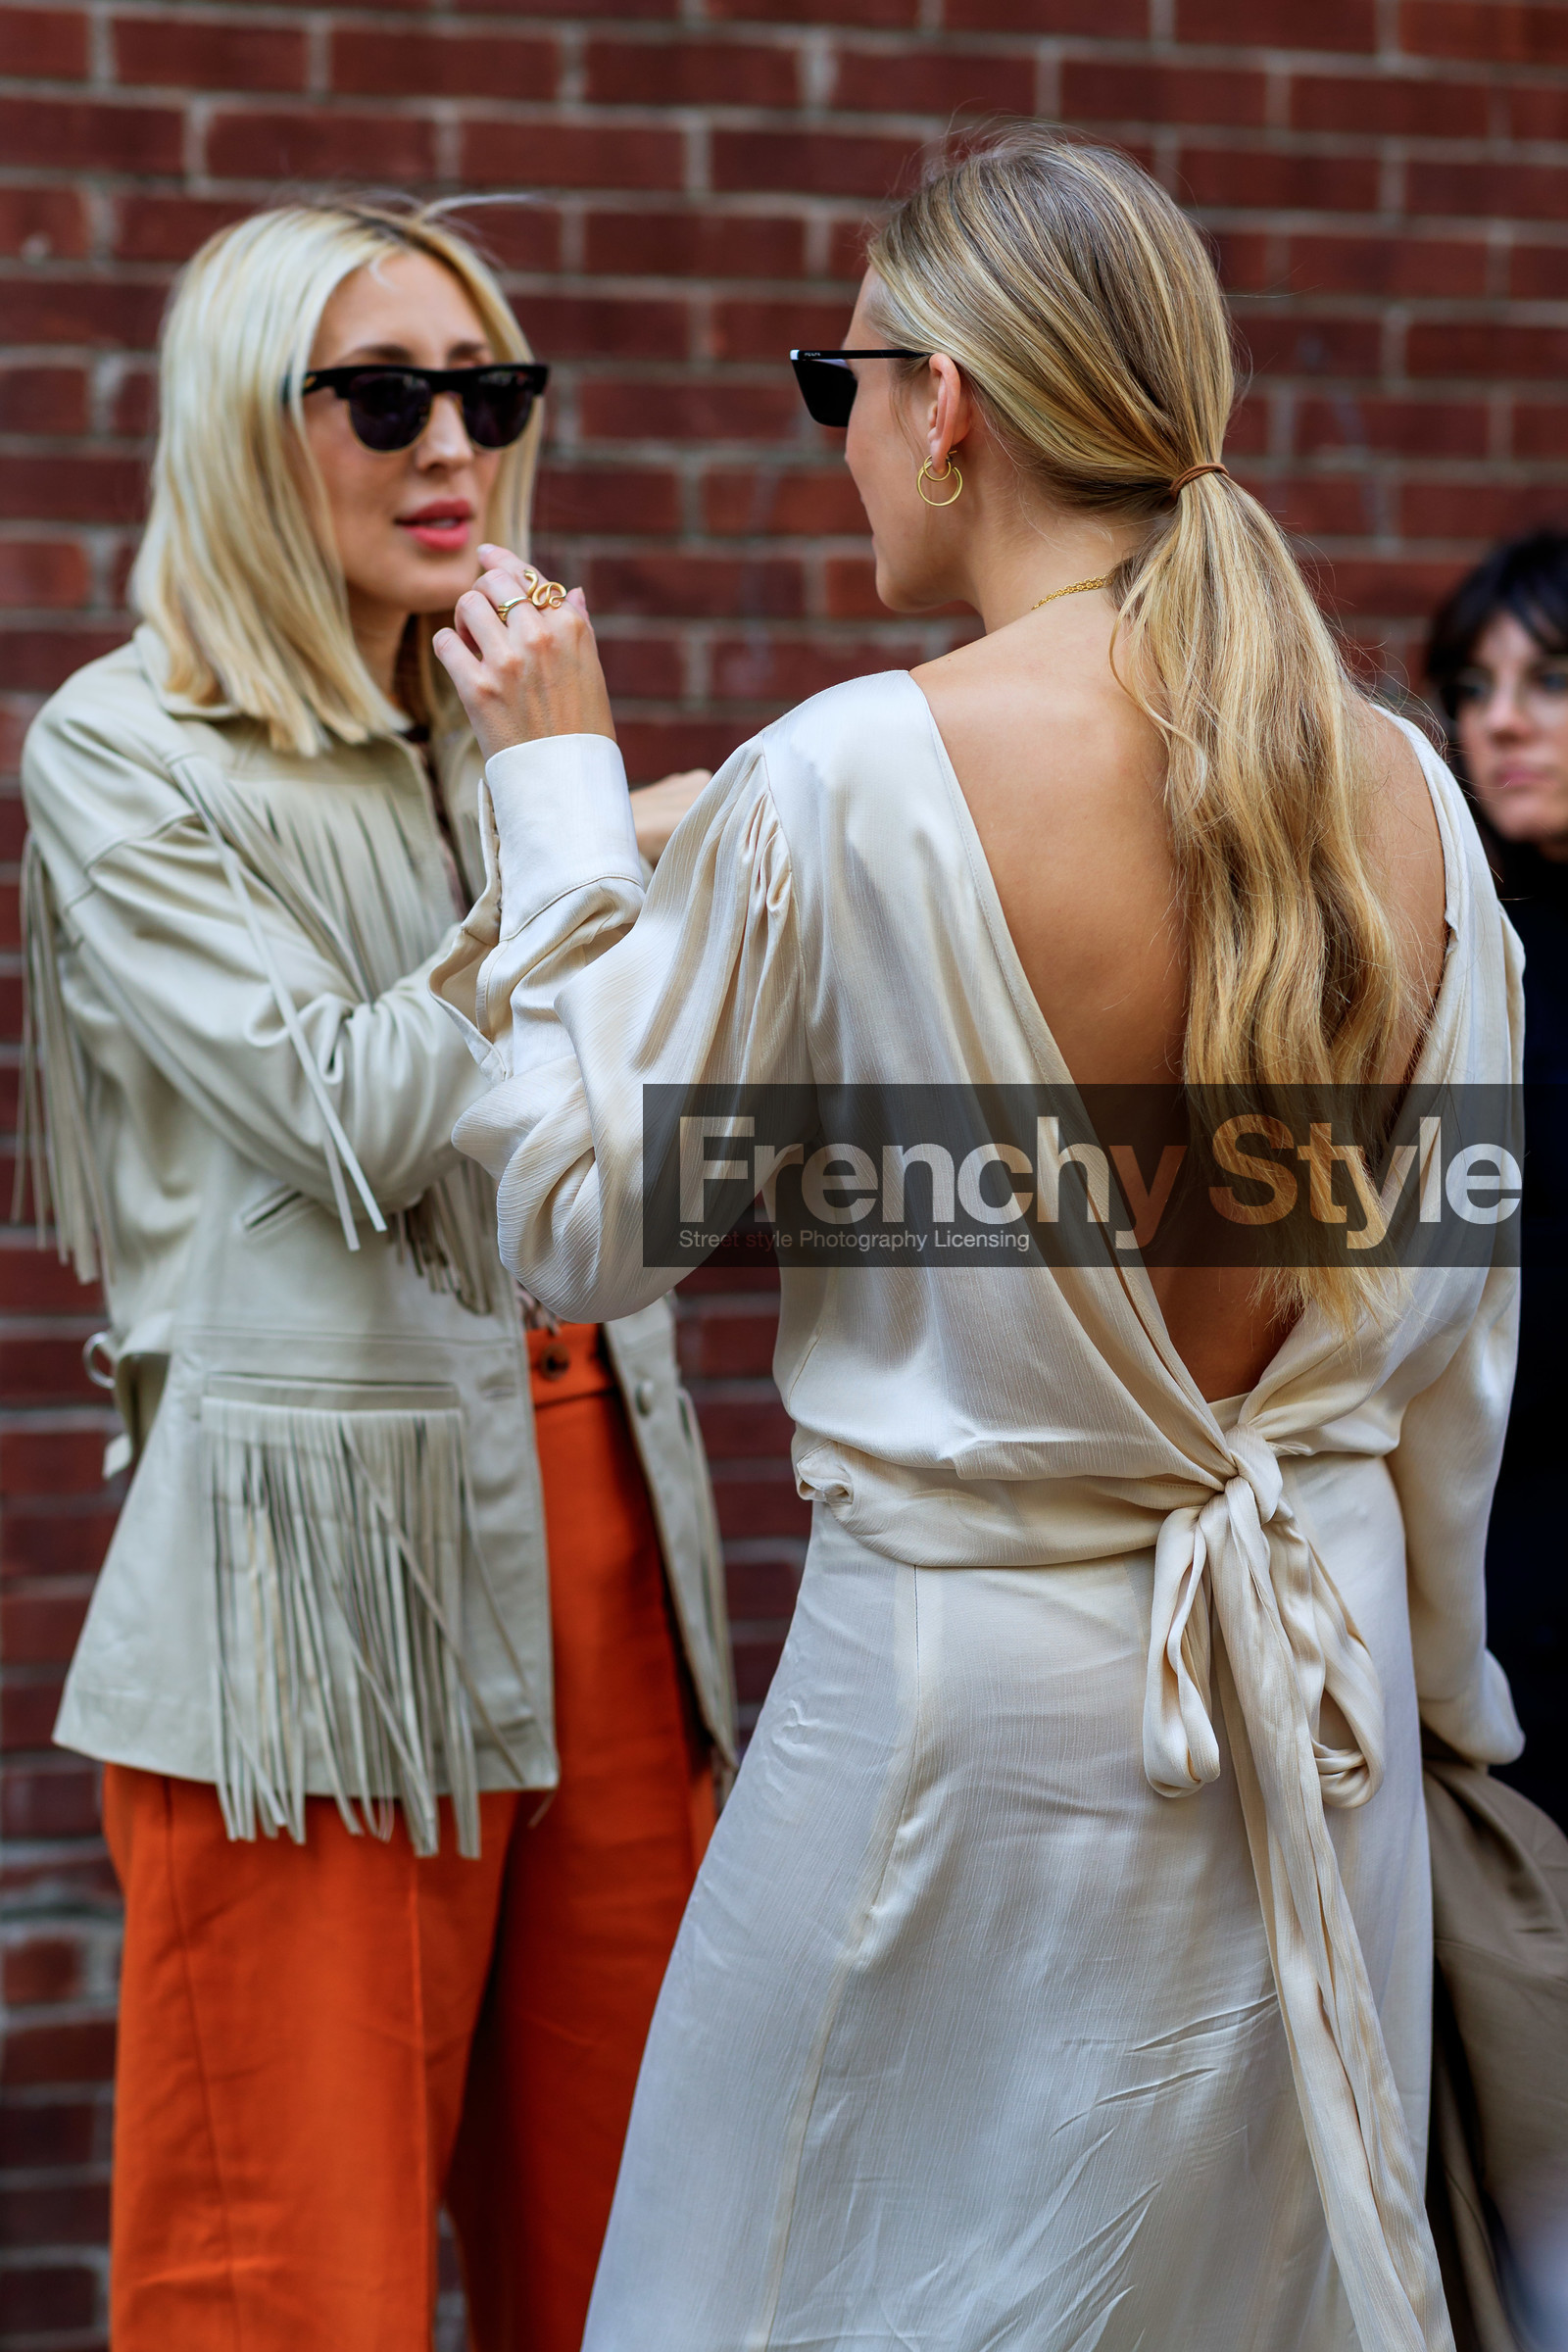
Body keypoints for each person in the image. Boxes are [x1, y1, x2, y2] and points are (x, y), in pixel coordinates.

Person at [430, 132, 1523, 2352]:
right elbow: (1449, 1347)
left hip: (957, 1748)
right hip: (1309, 1737)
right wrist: (1437, 1708)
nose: (834, 439)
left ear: (946, 406)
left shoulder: (852, 775)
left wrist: (557, 799)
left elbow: (572, 1223)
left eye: (833, 384)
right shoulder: (1413, 795)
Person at [19, 198, 732, 2352]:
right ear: (248, 424)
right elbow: (337, 1110)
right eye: (386, 395)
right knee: (283, 2295)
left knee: (632, 2262)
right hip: (319, 1596)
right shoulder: (125, 748)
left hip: (612, 1543)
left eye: (489, 395)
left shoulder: (487, 727)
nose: (453, 448)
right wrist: (575, 831)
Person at [1427, 530, 1568, 1832]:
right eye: (1474, 689)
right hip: (1490, 1532)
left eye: (1548, 680)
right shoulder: (1452, 948)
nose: (1502, 722)